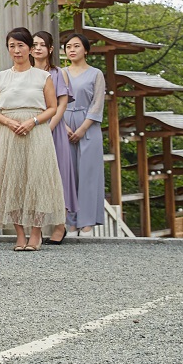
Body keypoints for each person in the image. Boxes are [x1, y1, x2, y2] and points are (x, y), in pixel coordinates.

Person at [0, 27, 66, 253]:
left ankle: (36, 232)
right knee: (13, 179)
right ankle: (19, 234)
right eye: (12, 46)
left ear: (30, 49)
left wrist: (33, 121)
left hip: (36, 131)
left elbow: (52, 107)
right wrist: (8, 122)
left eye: (21, 45)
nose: (16, 50)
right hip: (9, 131)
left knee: (37, 179)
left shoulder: (44, 76)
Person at [59, 31, 109, 234]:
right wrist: (64, 125)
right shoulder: (61, 73)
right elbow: (56, 102)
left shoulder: (96, 74)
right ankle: (70, 219)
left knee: (88, 172)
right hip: (65, 123)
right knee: (68, 173)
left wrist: (82, 129)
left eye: (76, 46)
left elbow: (97, 104)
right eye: (68, 47)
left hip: (89, 125)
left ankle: (87, 218)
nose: (72, 50)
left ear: (86, 50)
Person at [33, 31, 74, 243]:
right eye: (34, 44)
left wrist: (48, 127)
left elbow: (62, 104)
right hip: (30, 128)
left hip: (52, 130)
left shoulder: (59, 73)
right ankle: (36, 228)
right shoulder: (26, 72)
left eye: (42, 44)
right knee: (34, 177)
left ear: (50, 49)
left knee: (57, 176)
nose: (37, 48)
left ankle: (60, 225)